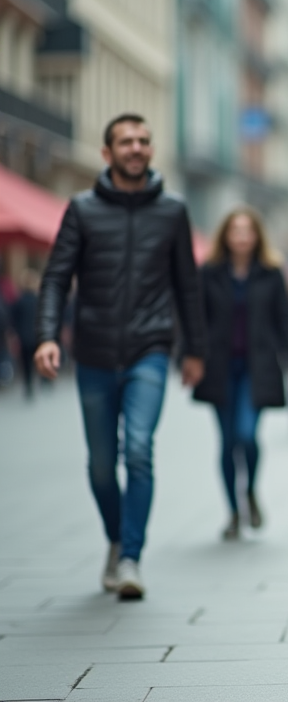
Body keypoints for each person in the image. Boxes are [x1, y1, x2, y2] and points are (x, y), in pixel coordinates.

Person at [35, 113, 207, 600]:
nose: (136, 147)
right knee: (99, 465)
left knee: (138, 449)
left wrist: (194, 350)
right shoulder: (82, 209)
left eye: (144, 140)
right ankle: (115, 538)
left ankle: (131, 557)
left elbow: (186, 288)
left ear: (152, 151)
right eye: (126, 141)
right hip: (92, 351)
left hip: (149, 349)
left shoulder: (172, 211)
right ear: (107, 153)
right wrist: (47, 335)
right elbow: (54, 278)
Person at [193, 208, 288, 541]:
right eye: (235, 230)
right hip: (220, 367)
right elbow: (196, 318)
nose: (242, 237)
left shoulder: (271, 274)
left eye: (248, 231)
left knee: (246, 435)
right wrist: (190, 357)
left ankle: (251, 490)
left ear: (257, 236)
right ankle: (232, 511)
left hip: (257, 367)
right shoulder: (210, 273)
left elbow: (285, 320)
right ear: (225, 236)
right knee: (226, 443)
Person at [10, 270, 41, 399]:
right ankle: (44, 380)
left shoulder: (19, 302)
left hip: (23, 336)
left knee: (26, 363)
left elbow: (12, 320)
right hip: (37, 336)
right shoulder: (38, 301)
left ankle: (29, 385)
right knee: (39, 361)